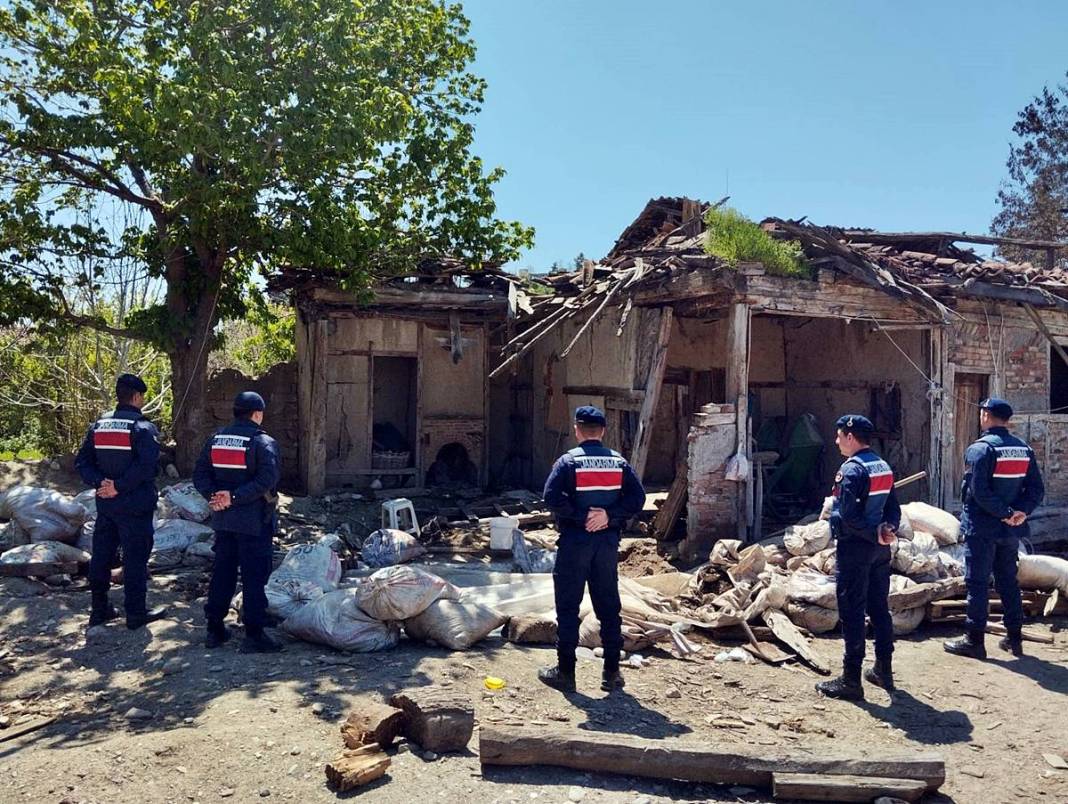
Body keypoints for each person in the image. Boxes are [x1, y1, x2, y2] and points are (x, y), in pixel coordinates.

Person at [538, 405, 646, 693]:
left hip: (575, 542)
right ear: (603, 431)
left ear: (577, 430)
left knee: (568, 608)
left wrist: (579, 515)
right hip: (606, 544)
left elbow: (550, 497)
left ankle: (565, 672)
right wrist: (609, 516)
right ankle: (611, 672)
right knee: (609, 607)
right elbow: (638, 498)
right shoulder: (619, 462)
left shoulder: (567, 462)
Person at [944, 398, 1044, 660]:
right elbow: (1036, 490)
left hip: (983, 528)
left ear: (986, 416)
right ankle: (1014, 640)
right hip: (1011, 531)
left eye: (982, 413)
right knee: (1008, 582)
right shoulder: (1023, 449)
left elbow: (979, 492)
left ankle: (974, 641)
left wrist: (1007, 513)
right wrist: (1019, 513)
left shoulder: (981, 449)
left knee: (977, 583)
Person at [816, 414, 900, 701]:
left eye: (839, 435)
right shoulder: (882, 465)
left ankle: (851, 679)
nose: (837, 440)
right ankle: (883, 670)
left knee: (852, 611)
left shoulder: (851, 470)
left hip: (855, 549)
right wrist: (887, 530)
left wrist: (873, 533)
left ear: (851, 437)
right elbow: (893, 507)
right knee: (879, 607)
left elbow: (849, 517)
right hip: (879, 549)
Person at [75, 373, 168, 630]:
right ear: (137, 397)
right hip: (135, 506)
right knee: (136, 559)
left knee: (102, 556)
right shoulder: (142, 428)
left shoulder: (99, 426)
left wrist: (101, 483)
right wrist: (118, 486)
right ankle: (136, 613)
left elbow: (82, 463)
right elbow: (147, 468)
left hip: (106, 505)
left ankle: (99, 609)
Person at [193, 391, 282, 653]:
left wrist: (216, 497)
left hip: (223, 520)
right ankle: (254, 634)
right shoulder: (263, 442)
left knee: (223, 572)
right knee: (254, 576)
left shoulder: (216, 440)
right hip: (254, 521)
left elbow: (200, 474)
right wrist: (234, 496)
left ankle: (214, 629)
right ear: (257, 414)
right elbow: (268, 480)